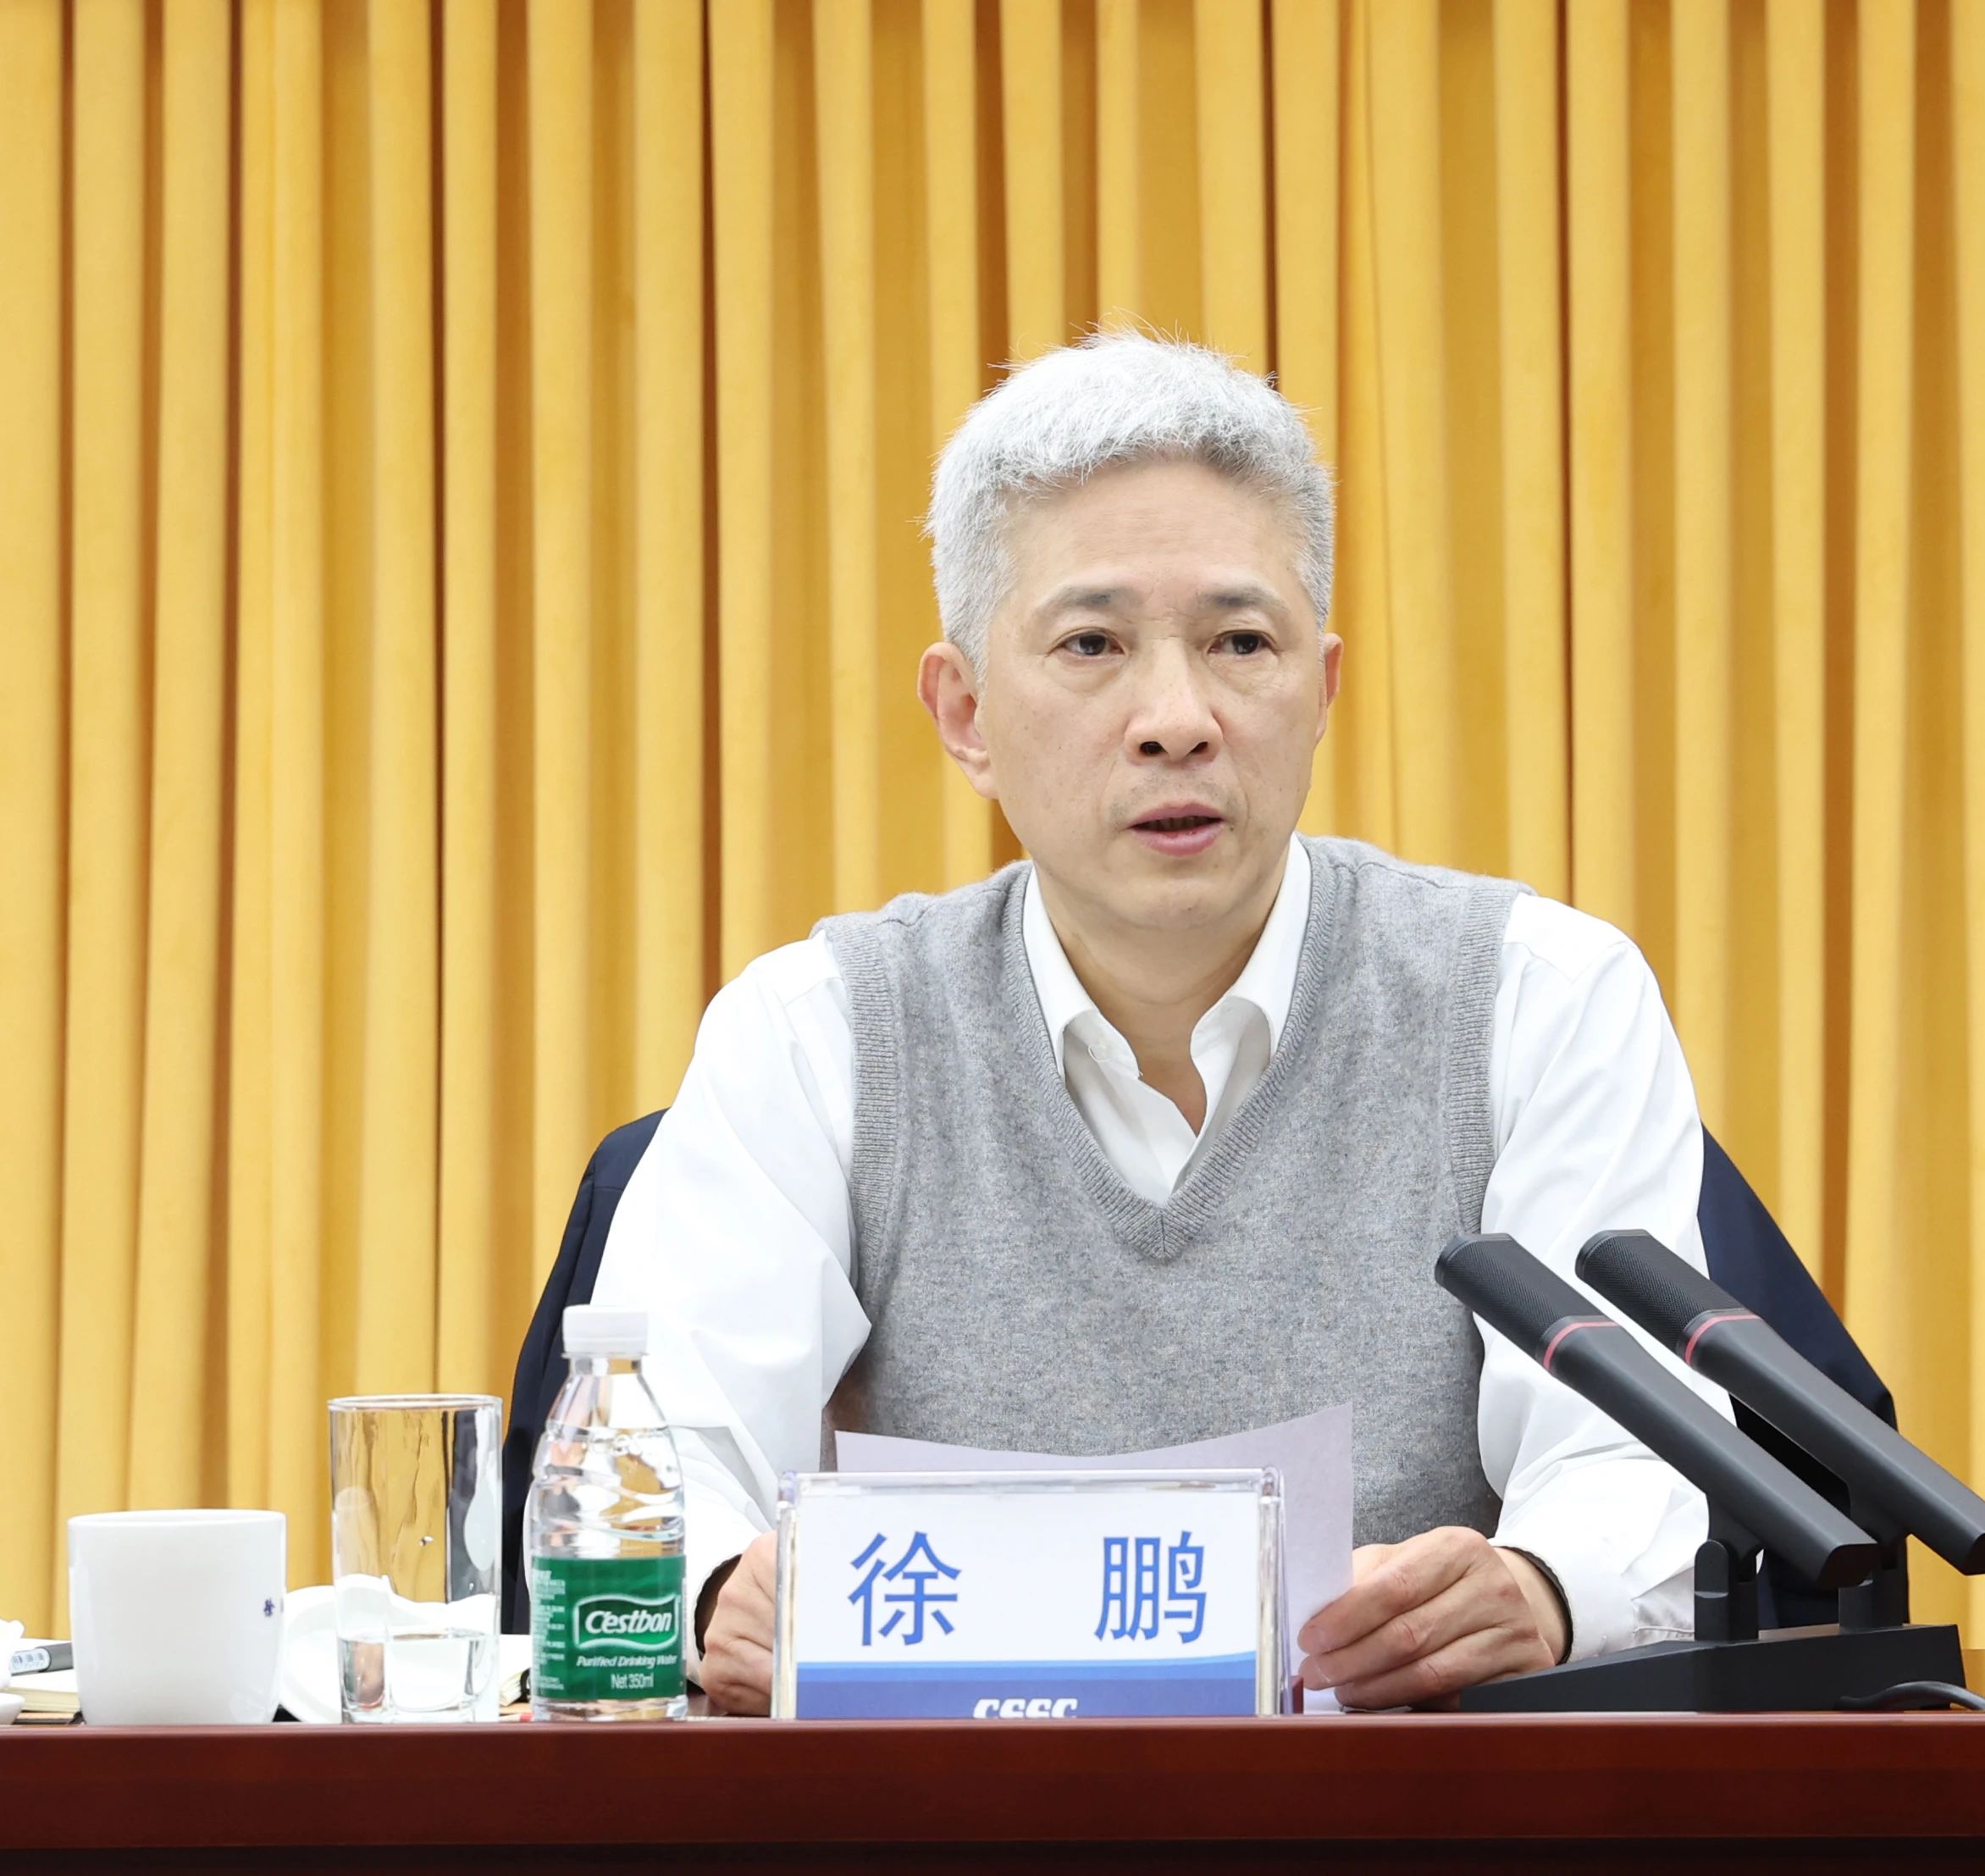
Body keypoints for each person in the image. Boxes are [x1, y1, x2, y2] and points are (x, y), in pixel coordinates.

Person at [590, 332, 1732, 1714]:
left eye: (1240, 644)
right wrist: (723, 1587)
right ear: (964, 713)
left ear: (1320, 689)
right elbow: (655, 1454)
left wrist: (1538, 1588)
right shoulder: (817, 1031)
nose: (1176, 720)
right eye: (1092, 645)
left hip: (1398, 1796)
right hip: (945, 1803)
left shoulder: (1537, 998)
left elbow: (1629, 1458)